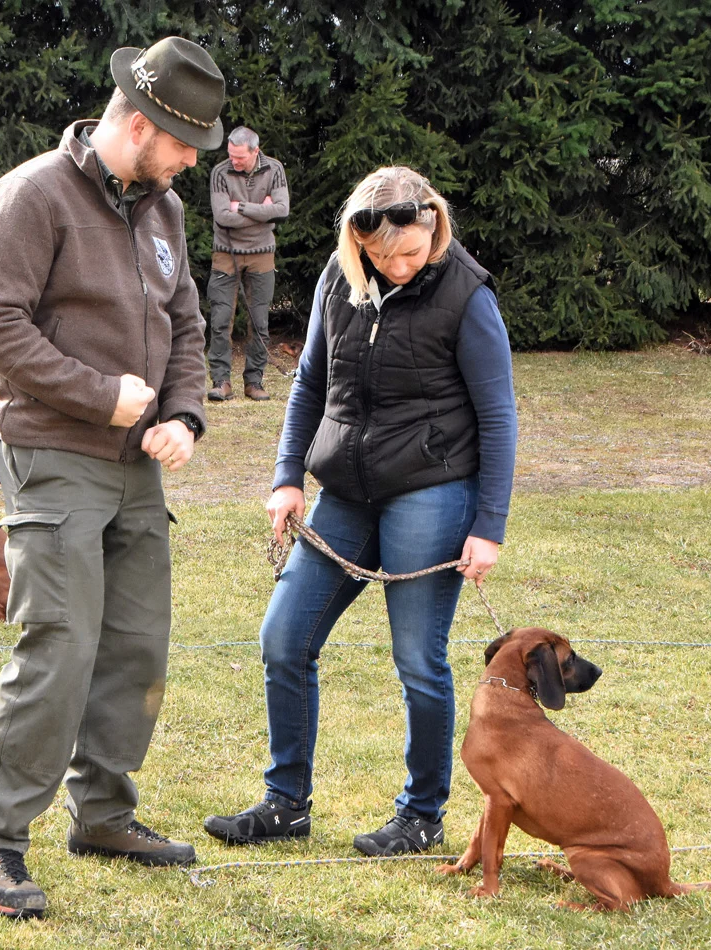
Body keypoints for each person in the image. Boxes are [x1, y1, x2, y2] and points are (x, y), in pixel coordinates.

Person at [0, 36, 225, 919]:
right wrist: (100, 395)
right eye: (186, 144)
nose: (191, 162)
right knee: (61, 645)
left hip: (137, 466)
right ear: (140, 124)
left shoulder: (165, 210)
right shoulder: (30, 195)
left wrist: (182, 416)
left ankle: (103, 812)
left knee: (138, 645)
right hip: (52, 454)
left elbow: (186, 323)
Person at [204, 166, 517, 857]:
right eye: (384, 257)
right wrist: (288, 478)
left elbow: (498, 417)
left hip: (433, 490)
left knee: (417, 658)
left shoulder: (468, 294)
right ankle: (286, 803)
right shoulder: (336, 280)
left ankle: (421, 814)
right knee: (283, 637)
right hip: (345, 490)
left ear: (432, 225)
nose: (400, 267)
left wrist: (487, 526)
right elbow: (310, 381)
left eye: (412, 253)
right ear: (358, 240)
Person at [206, 126, 289, 402]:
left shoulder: (274, 170)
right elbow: (221, 217)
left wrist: (239, 207)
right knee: (220, 320)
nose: (234, 161)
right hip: (225, 252)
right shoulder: (220, 172)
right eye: (231, 155)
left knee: (260, 322)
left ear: (255, 151)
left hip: (262, 253)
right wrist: (263, 213)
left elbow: (281, 210)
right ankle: (221, 381)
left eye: (239, 157)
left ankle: (254, 381)